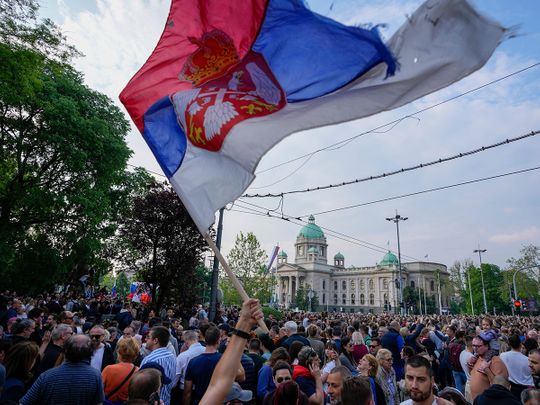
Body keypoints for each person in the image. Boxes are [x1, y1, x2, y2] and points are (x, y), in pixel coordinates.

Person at [20, 334, 105, 405]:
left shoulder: (47, 375)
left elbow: (25, 403)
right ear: (90, 352)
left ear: (65, 351)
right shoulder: (96, 376)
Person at [140, 325, 176, 405]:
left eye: (148, 337)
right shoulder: (172, 356)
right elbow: (173, 383)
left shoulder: (149, 360)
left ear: (155, 340)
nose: (145, 339)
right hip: (166, 401)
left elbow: (141, 387)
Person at [102, 337, 140, 403]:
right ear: (135, 355)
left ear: (119, 352)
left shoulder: (109, 369)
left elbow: (99, 389)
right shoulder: (139, 371)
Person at [469, 335, 508, 401]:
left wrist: (487, 370)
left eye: (478, 346)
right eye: (473, 345)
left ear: (486, 346)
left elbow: (501, 388)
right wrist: (470, 366)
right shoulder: (478, 358)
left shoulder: (495, 361)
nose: (475, 348)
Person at [499, 333, 533, 399]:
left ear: (510, 344)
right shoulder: (527, 360)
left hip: (511, 387)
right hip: (526, 388)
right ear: (520, 344)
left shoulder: (503, 355)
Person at [174, 329, 205, 399]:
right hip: (204, 389)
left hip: (184, 390)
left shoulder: (182, 356)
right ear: (197, 338)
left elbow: (176, 377)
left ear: (186, 342)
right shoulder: (207, 351)